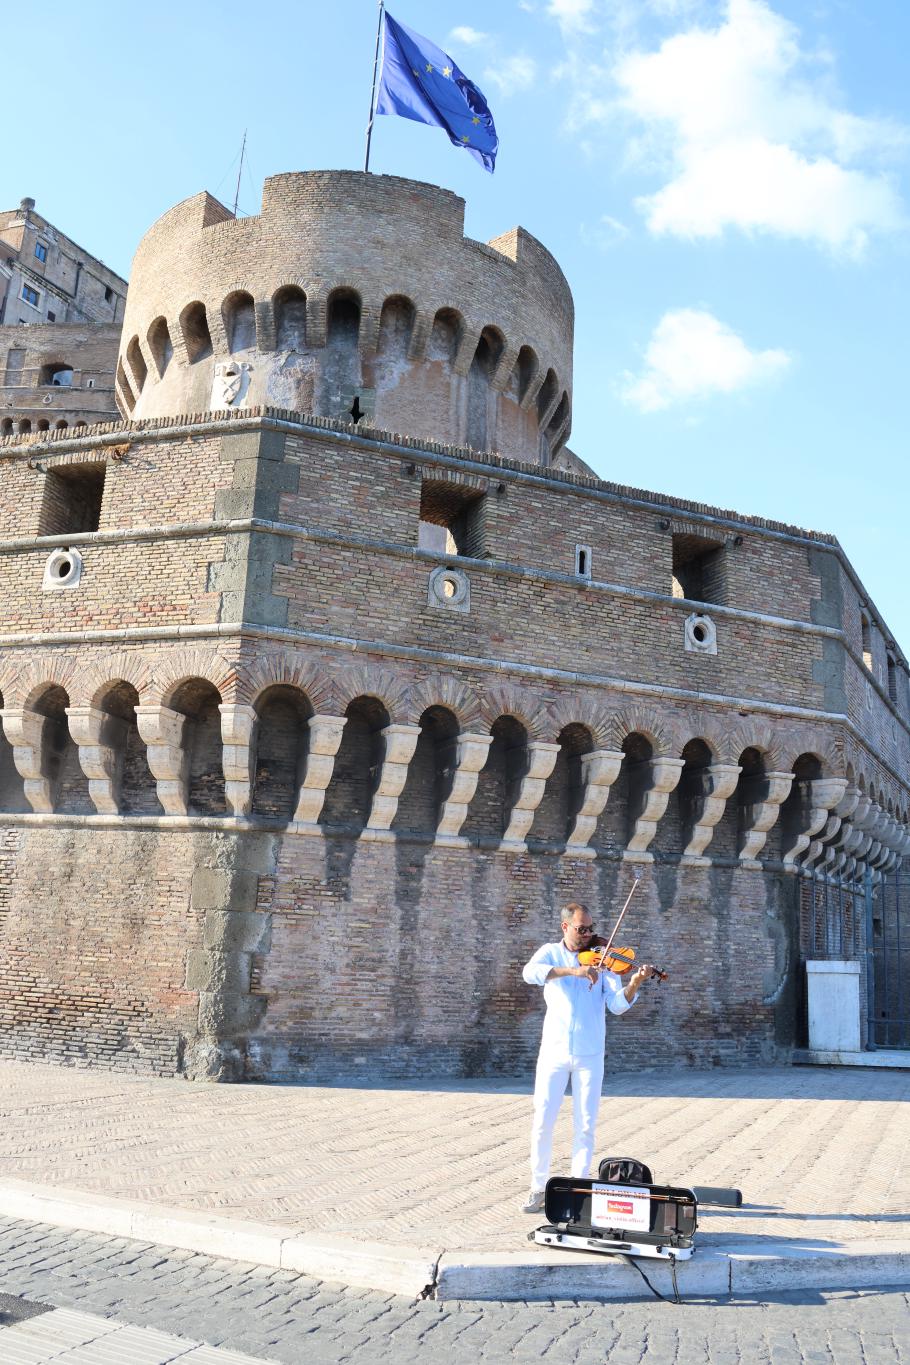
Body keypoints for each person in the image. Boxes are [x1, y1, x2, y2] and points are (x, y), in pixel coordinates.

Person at [520, 900, 654, 1214]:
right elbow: (529, 973)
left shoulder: (605, 961)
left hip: (590, 1053)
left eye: (591, 929)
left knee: (586, 1124)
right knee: (542, 1121)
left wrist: (633, 983)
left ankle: (579, 1188)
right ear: (565, 927)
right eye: (582, 929)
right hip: (553, 1050)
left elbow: (617, 1005)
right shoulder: (551, 952)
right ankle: (538, 1187)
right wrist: (575, 970)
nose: (589, 935)